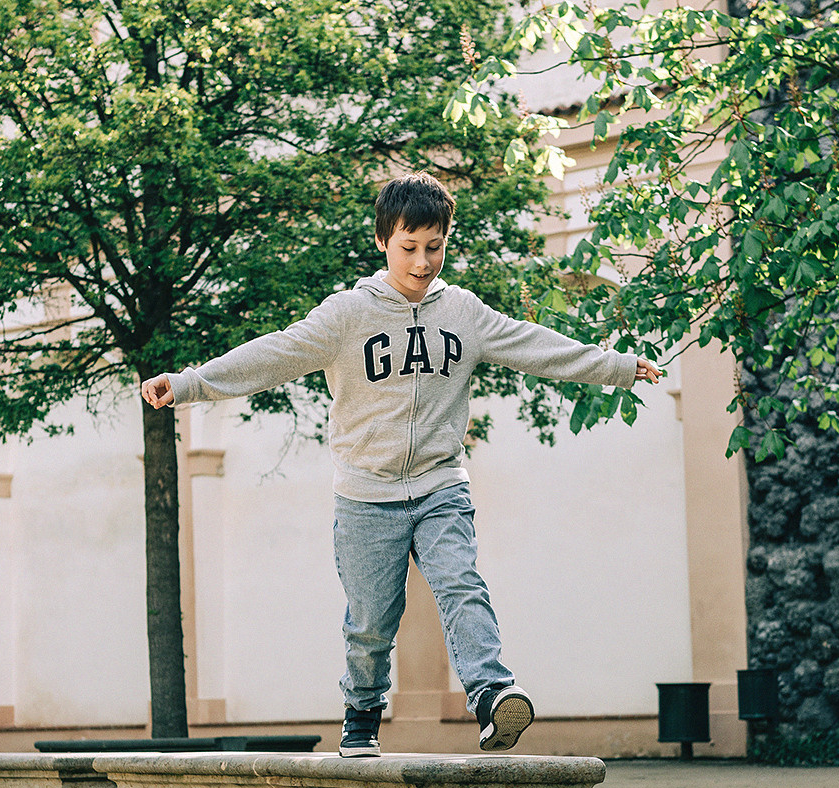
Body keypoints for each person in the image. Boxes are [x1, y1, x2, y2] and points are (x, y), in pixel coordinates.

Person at [142, 172, 662, 756]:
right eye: (409, 248)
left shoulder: (464, 312)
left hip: (441, 484)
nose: (422, 263)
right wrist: (189, 384)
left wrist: (617, 366)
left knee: (462, 585)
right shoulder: (347, 316)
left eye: (434, 247)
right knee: (370, 623)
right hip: (366, 494)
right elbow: (276, 353)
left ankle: (492, 694)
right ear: (383, 242)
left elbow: (535, 345)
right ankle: (362, 715)